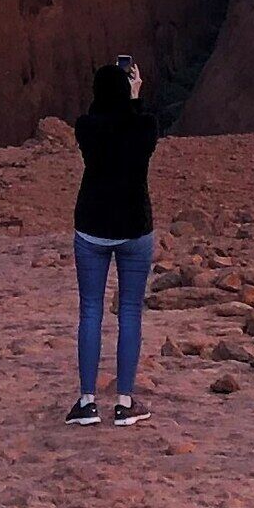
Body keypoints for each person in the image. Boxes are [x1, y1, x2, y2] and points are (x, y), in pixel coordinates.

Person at [69, 54, 158, 428]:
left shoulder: (86, 127)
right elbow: (136, 131)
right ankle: (124, 402)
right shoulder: (146, 125)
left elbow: (101, 122)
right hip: (134, 227)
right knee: (130, 312)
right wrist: (135, 97)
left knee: (90, 310)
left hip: (92, 226)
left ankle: (87, 402)